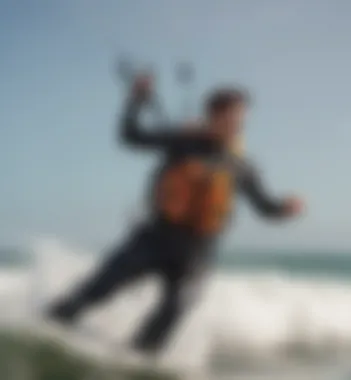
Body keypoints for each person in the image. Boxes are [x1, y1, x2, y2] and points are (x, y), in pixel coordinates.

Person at [47, 74, 304, 354]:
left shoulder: (241, 165)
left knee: (177, 306)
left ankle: (136, 360)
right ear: (213, 116)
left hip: (197, 253)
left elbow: (264, 207)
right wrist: (137, 100)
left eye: (242, 118)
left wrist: (284, 209)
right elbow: (131, 137)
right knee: (94, 292)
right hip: (154, 238)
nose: (238, 124)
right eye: (232, 117)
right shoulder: (182, 141)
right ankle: (49, 325)